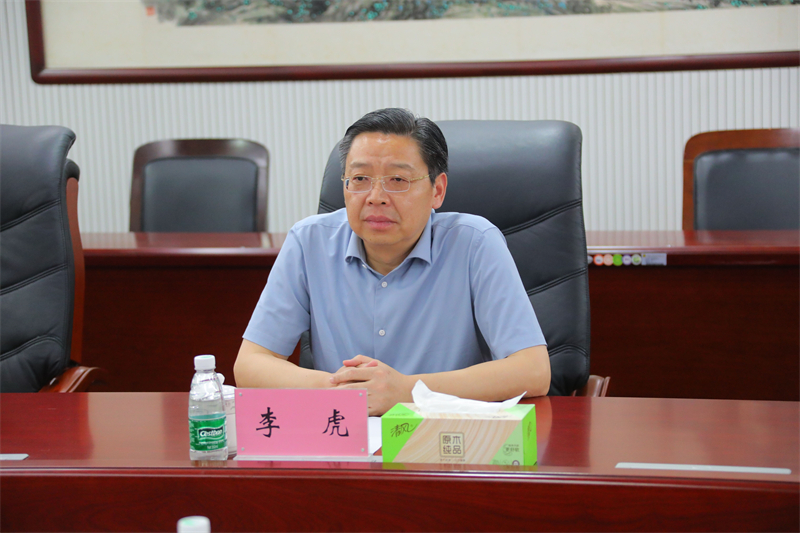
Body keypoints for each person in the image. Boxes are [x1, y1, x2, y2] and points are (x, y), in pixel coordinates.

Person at [234, 108, 550, 415]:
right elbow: (250, 364)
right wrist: (343, 390)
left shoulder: (475, 243)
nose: (376, 196)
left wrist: (407, 391)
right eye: (360, 178)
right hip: (345, 434)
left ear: (437, 190)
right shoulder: (309, 242)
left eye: (398, 180)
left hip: (442, 436)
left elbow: (533, 371)